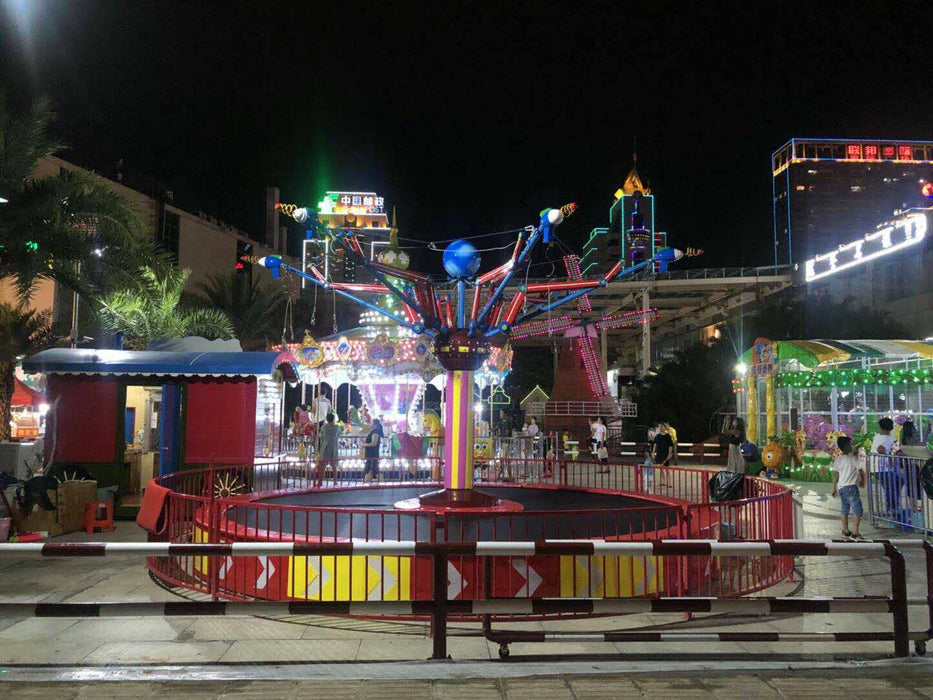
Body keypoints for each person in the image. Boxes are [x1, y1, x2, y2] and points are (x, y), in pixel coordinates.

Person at [831, 435, 865, 540]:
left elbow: (835, 475)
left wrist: (834, 488)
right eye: (850, 444)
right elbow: (861, 470)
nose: (852, 446)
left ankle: (845, 531)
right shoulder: (852, 458)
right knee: (857, 508)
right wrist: (862, 480)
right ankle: (855, 532)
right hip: (851, 487)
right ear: (846, 446)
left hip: (841, 488)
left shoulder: (838, 459)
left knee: (844, 509)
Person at [362, 418, 384, 483]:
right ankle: (367, 483)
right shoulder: (373, 432)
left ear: (375, 425)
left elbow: (374, 443)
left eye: (371, 422)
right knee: (374, 470)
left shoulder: (375, 433)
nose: (369, 424)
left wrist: (365, 445)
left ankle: (365, 484)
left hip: (372, 454)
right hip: (371, 454)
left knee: (368, 470)